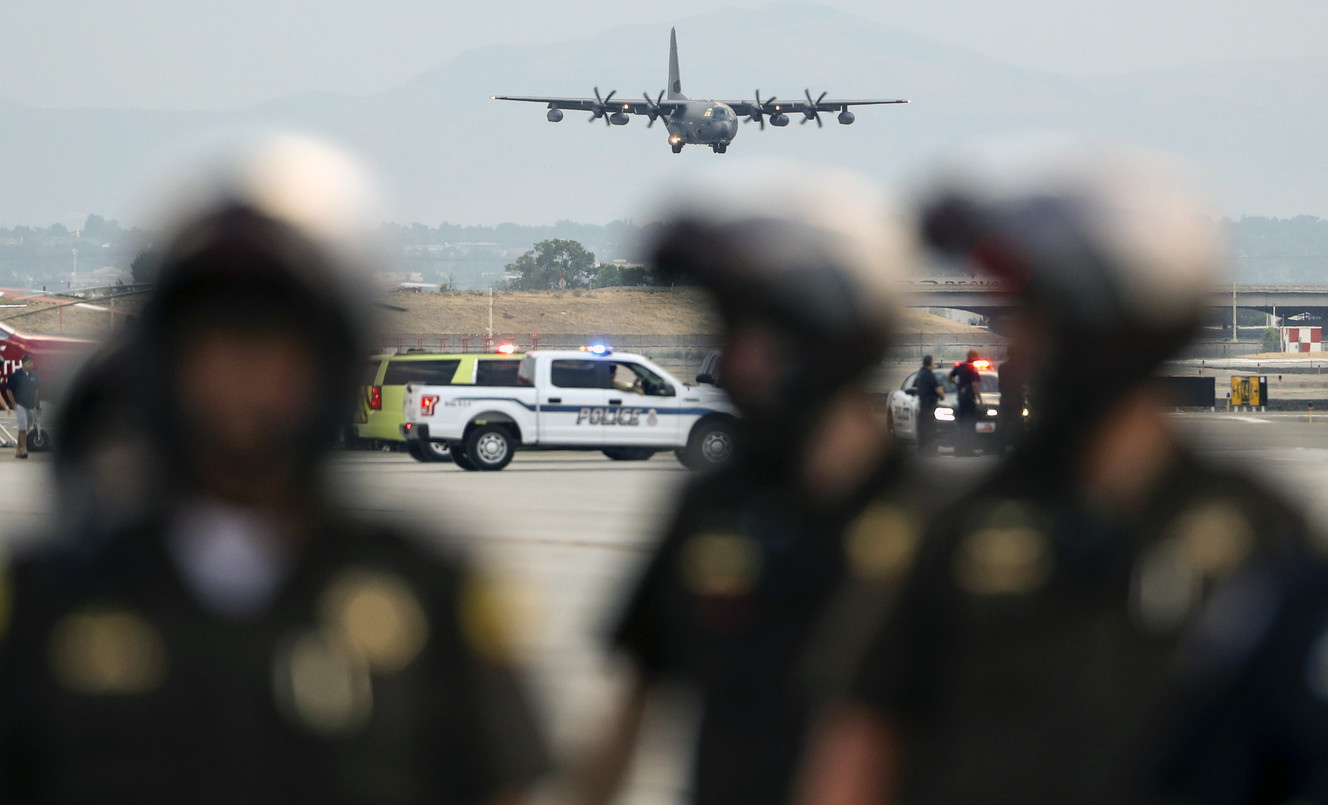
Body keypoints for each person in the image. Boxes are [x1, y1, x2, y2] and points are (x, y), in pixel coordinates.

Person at [0, 136, 549, 804]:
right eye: (218, 342)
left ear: (332, 361)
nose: (246, 382)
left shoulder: (429, 592)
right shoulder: (49, 597)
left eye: (276, 344)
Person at [799, 138, 1313, 805]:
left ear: (1108, 322)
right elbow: (858, 752)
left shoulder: (1262, 535)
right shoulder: (946, 528)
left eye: (1028, 316)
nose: (1007, 349)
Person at [569, 165, 921, 805]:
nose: (737, 357)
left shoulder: (941, 528)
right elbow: (628, 714)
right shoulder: (713, 507)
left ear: (836, 336)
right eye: (730, 326)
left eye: (766, 329)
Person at [947, 349, 982, 456]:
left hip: (961, 399)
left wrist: (957, 384)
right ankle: (968, 450)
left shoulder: (960, 366)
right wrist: (980, 399)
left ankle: (958, 450)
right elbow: (975, 385)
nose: (978, 358)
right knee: (970, 425)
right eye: (977, 356)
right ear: (972, 357)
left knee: (961, 425)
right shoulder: (972, 368)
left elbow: (949, 377)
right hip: (970, 400)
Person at [6, 354, 38, 458]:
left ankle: (18, 451)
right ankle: (24, 449)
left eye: (32, 363)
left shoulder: (34, 376)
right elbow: (9, 390)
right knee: (23, 426)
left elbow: (37, 390)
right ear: (23, 363)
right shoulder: (16, 375)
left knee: (25, 427)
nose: (31, 365)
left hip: (30, 405)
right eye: (28, 362)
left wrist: (36, 403)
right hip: (20, 404)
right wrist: (14, 404)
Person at [912, 354, 944, 456]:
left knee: (922, 429)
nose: (934, 363)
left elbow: (914, 386)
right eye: (933, 361)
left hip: (922, 406)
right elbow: (938, 389)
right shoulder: (929, 374)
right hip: (929, 406)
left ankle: (922, 449)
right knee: (930, 430)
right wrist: (942, 395)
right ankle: (930, 451)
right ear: (930, 363)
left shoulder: (920, 373)